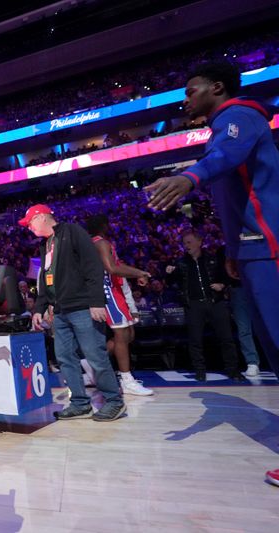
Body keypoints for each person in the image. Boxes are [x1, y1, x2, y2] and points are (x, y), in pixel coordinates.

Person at [144, 61, 279, 486]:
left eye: (191, 89)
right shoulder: (224, 124)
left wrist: (190, 177)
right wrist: (233, 250)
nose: (186, 99)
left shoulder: (239, 115)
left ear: (216, 87)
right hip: (252, 251)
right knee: (272, 349)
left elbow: (226, 155)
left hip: (270, 247)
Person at [20, 204, 126, 422]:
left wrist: (96, 301)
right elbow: (45, 280)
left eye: (29, 222)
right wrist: (40, 308)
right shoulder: (45, 244)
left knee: (95, 355)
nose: (28, 227)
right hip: (60, 312)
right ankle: (80, 403)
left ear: (41, 217)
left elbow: (93, 266)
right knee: (66, 359)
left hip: (82, 307)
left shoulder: (72, 231)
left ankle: (114, 401)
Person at [86, 214, 154, 396]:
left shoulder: (102, 242)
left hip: (116, 289)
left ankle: (92, 363)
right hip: (107, 291)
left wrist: (134, 274)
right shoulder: (100, 243)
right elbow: (112, 268)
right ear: (104, 225)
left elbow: (117, 267)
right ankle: (127, 380)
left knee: (128, 334)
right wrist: (140, 271)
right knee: (121, 334)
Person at [165, 229, 243, 382]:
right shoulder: (180, 263)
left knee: (226, 338)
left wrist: (222, 285)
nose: (186, 246)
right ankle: (200, 371)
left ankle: (233, 370)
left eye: (189, 242)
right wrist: (168, 274)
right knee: (195, 340)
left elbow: (227, 277)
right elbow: (170, 283)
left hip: (215, 302)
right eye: (184, 243)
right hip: (194, 305)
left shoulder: (213, 259)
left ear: (199, 242)